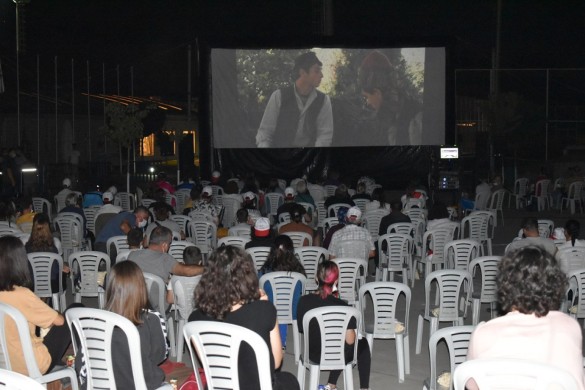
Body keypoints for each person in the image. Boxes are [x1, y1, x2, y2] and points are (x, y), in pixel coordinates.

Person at [466, 246, 585, 390]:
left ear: (505, 286)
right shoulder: (570, 327)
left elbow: (470, 384)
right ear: (555, 285)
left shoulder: (483, 333)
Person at [188, 246, 299, 390]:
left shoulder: (195, 319)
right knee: (290, 380)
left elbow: (207, 362)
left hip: (220, 387)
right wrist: (265, 306)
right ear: (247, 276)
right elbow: (276, 362)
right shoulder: (264, 310)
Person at [0, 236, 75, 375]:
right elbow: (60, 322)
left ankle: (65, 361)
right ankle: (77, 363)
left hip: (4, 366)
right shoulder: (21, 294)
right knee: (73, 311)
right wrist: (56, 313)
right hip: (31, 366)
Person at [296, 260, 371, 390]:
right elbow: (350, 340)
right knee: (362, 344)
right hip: (336, 354)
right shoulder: (343, 306)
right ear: (336, 282)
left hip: (312, 354)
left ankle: (331, 385)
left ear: (316, 278)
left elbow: (302, 329)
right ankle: (364, 388)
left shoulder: (303, 301)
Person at [102, 261, 168, 389]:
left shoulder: (94, 321)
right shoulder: (152, 319)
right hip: (141, 384)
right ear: (141, 287)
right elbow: (160, 355)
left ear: (110, 288)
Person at [256, 51, 333, 148]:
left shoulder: (323, 100)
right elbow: (265, 133)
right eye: (317, 71)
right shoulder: (278, 96)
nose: (321, 75)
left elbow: (324, 135)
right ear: (303, 72)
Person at [358, 50, 423, 145]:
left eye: (368, 97)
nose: (367, 103)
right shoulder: (370, 120)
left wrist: (381, 107)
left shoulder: (417, 117)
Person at [259, 234, 306, 348]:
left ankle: (273, 339)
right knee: (284, 303)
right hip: (293, 310)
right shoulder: (298, 271)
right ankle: (281, 342)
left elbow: (258, 289)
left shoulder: (265, 270)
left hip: (270, 310)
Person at [25, 213, 69, 293]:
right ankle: (53, 301)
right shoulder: (53, 245)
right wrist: (62, 267)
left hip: (32, 284)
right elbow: (55, 270)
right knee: (62, 272)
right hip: (51, 284)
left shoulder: (27, 246)